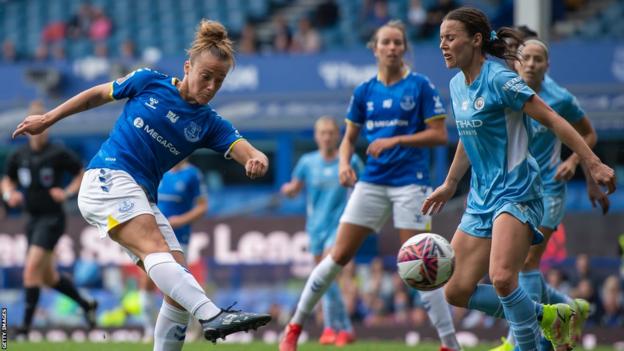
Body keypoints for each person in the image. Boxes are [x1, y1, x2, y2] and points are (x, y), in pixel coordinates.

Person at [11, 20, 272, 351]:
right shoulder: (149, 81)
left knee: (178, 284)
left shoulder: (209, 123)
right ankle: (210, 314)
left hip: (142, 197)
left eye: (219, 81)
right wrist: (48, 118)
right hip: (107, 177)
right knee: (158, 253)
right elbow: (96, 95)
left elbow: (247, 150)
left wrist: (257, 159)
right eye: (205, 76)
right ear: (187, 67)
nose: (210, 86)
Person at [425, 7, 616, 351]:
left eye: (450, 38)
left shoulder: (500, 78)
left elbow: (553, 118)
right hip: (482, 197)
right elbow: (469, 139)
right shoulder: (456, 84)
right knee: (455, 289)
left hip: (518, 190)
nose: (443, 45)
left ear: (476, 40)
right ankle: (547, 316)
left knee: (502, 278)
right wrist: (451, 183)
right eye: (441, 39)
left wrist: (592, 163)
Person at [280, 20, 461, 351]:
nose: (392, 47)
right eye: (386, 42)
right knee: (338, 256)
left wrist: (396, 141)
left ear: (404, 48)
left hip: (411, 183)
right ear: (375, 49)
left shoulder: (420, 86)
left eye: (397, 43)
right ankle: (293, 328)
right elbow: (348, 140)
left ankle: (450, 343)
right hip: (373, 181)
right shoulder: (364, 91)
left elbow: (439, 135)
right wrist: (345, 163)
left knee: (422, 264)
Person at [492, 37, 610, 351]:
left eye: (537, 59)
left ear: (547, 65)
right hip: (516, 189)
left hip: (549, 188)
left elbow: (589, 133)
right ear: (517, 62)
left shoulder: (560, 98)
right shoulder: (508, 90)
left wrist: (574, 162)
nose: (531, 64)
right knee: (517, 266)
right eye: (526, 58)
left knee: (529, 262)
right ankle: (568, 309)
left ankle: (523, 341)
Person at [2, 101, 97, 339]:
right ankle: (87, 305)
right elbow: (7, 180)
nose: (39, 132)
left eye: (43, 126)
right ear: (26, 127)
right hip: (32, 219)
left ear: (47, 127)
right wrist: (8, 194)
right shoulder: (19, 155)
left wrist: (67, 193)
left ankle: (23, 328)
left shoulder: (57, 152)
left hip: (53, 218)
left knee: (31, 270)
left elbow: (81, 171)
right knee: (47, 277)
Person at [280, 116, 364, 346]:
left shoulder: (351, 160)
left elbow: (366, 189)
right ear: (317, 136)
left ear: (337, 136)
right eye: (323, 133)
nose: (327, 137)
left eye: (330, 132)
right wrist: (288, 190)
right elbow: (295, 188)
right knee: (325, 278)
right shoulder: (307, 162)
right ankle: (345, 328)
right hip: (315, 227)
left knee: (329, 272)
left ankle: (329, 328)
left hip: (340, 226)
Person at [139, 158, 208, 342]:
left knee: (178, 283)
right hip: (153, 233)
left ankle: (195, 328)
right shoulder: (159, 169)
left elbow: (202, 206)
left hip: (179, 235)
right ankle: (148, 329)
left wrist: (181, 220)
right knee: (147, 280)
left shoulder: (192, 174)